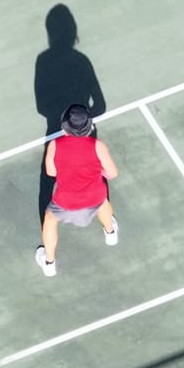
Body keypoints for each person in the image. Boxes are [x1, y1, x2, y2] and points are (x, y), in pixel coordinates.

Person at [38, 104, 117, 276]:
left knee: (50, 219)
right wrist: (97, 171)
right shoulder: (98, 146)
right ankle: (110, 233)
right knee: (103, 201)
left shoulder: (54, 145)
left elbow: (51, 172)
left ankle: (49, 263)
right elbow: (112, 173)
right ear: (89, 126)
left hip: (65, 202)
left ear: (65, 126)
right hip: (95, 197)